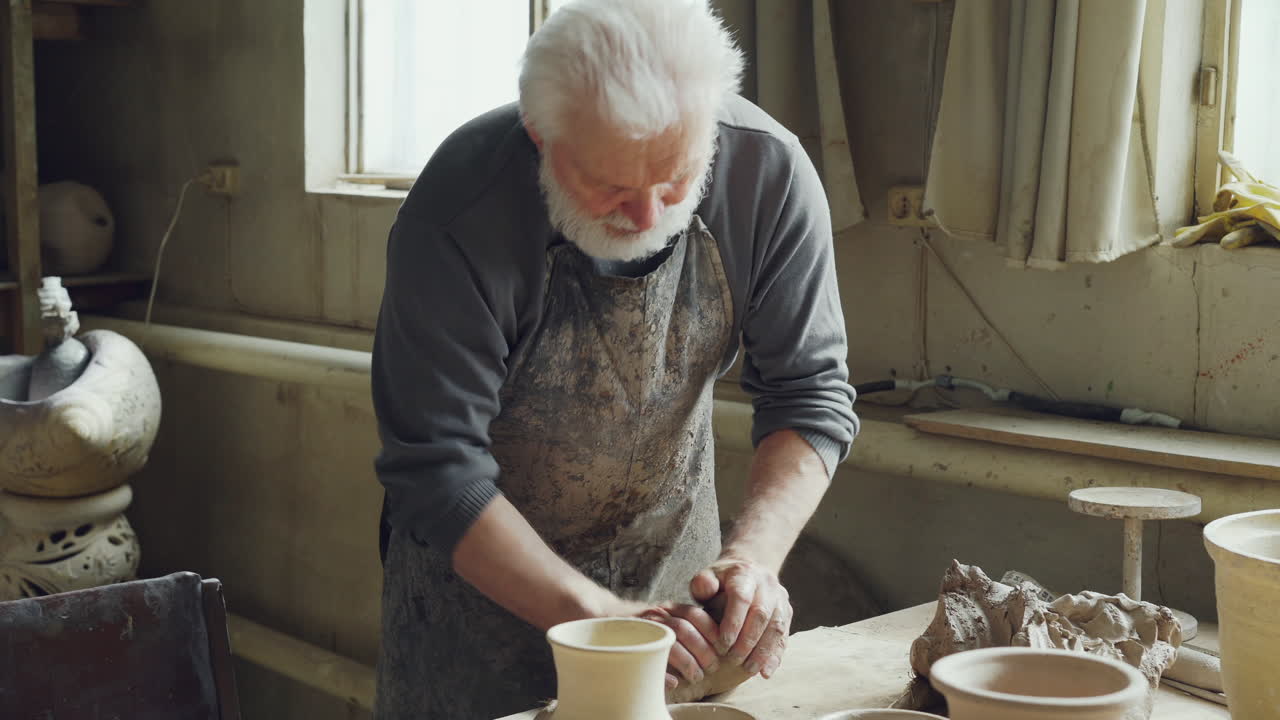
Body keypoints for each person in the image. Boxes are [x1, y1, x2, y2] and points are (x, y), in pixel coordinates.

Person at [371, 1, 858, 717]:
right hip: (474, 618)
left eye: (675, 180)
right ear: (541, 135)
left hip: (673, 608)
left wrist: (752, 560)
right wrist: (596, 617)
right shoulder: (457, 213)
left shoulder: (770, 174)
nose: (647, 215)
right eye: (612, 189)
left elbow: (810, 394)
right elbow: (437, 469)